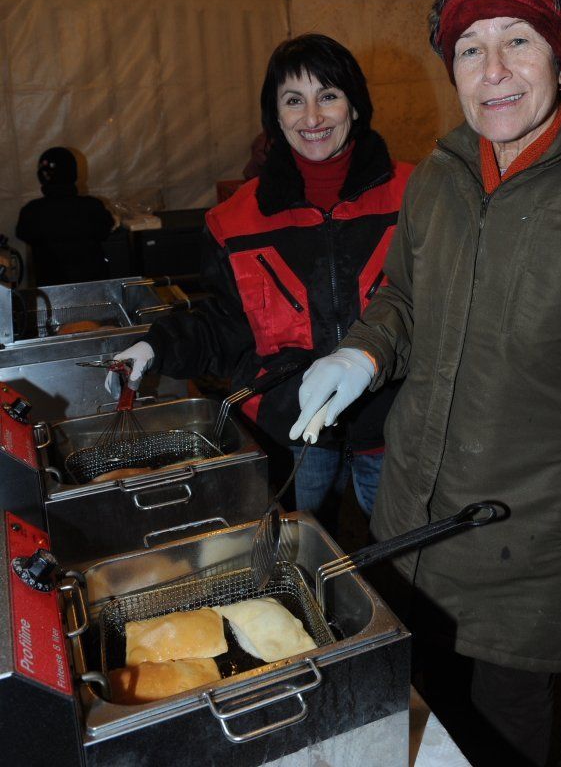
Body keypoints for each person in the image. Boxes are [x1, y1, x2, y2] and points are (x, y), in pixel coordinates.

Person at [288, 0, 561, 766]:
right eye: (469, 48)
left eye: (517, 40)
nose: (493, 71)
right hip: (410, 529)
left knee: (501, 739)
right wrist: (364, 354)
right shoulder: (440, 176)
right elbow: (404, 298)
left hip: (533, 555)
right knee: (415, 729)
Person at [108, 33, 413, 532]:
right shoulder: (234, 220)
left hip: (398, 424)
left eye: (328, 96)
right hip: (290, 427)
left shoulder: (416, 195)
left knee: (402, 554)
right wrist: (157, 345)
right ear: (274, 115)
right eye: (293, 101)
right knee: (295, 548)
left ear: (355, 106)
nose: (312, 117)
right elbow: (226, 323)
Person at [16, 146, 114, 285]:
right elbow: (104, 233)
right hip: (93, 287)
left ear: (42, 177)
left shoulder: (31, 211)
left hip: (51, 290)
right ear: (73, 173)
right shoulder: (92, 206)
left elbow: (23, 234)